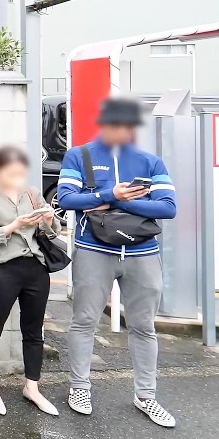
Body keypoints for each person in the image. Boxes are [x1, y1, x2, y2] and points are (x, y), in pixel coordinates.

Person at [56, 97, 177, 427]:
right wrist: (111, 195)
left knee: (143, 326)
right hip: (93, 250)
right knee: (84, 321)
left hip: (142, 253)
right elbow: (67, 198)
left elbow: (167, 207)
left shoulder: (150, 162)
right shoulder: (79, 155)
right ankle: (79, 387)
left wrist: (117, 205)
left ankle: (146, 395)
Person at [0, 146, 61, 416]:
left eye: (21, 172)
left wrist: (47, 219)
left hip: (36, 267)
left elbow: (52, 233)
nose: (18, 177)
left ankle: (32, 386)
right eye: (12, 172)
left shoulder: (31, 192)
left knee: (33, 330)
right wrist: (14, 225)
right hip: (2, 268)